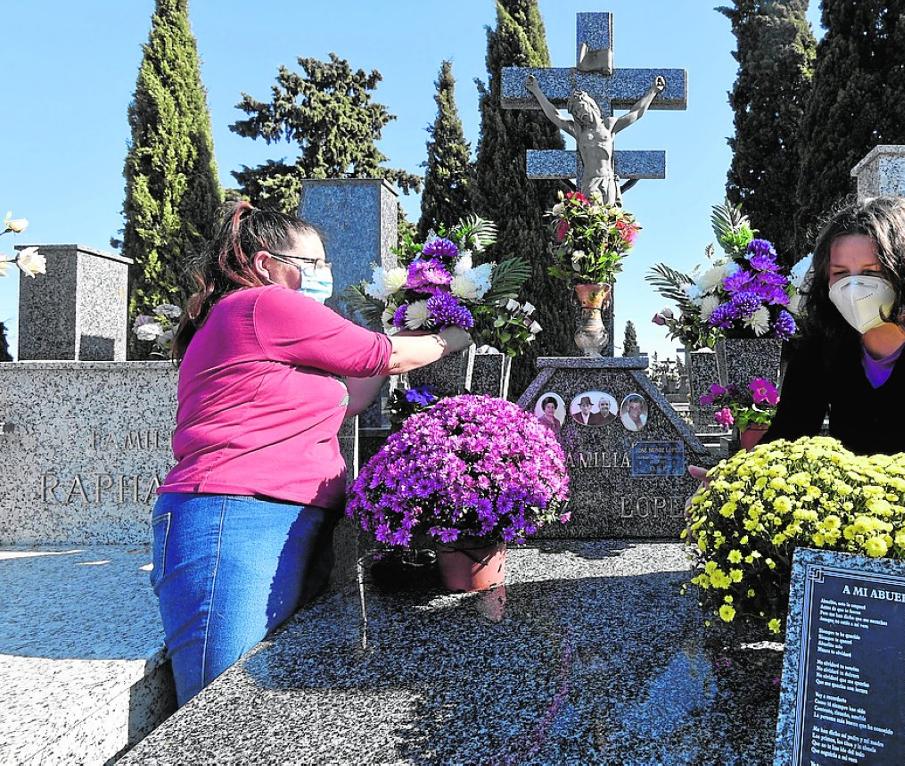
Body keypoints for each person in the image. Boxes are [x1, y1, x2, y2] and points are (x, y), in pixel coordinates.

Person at [150, 201, 471, 706]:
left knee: (262, 701)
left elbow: (356, 391)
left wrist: (411, 313)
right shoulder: (261, 304)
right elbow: (384, 356)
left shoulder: (268, 326)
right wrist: (450, 335)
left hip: (284, 515)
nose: (326, 274)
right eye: (316, 263)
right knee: (219, 704)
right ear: (264, 264)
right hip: (233, 515)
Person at [694, 197, 905, 549]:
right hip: (860, 541)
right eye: (840, 274)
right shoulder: (825, 342)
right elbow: (787, 438)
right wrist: (727, 484)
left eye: (873, 272)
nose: (854, 288)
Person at [524, 74, 666, 206]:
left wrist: (653, 90)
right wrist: (536, 90)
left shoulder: (609, 126)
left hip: (608, 180)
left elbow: (636, 113)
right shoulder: (579, 131)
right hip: (590, 182)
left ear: (590, 104)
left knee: (609, 221)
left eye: (581, 108)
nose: (580, 114)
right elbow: (555, 116)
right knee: (593, 219)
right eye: (577, 113)